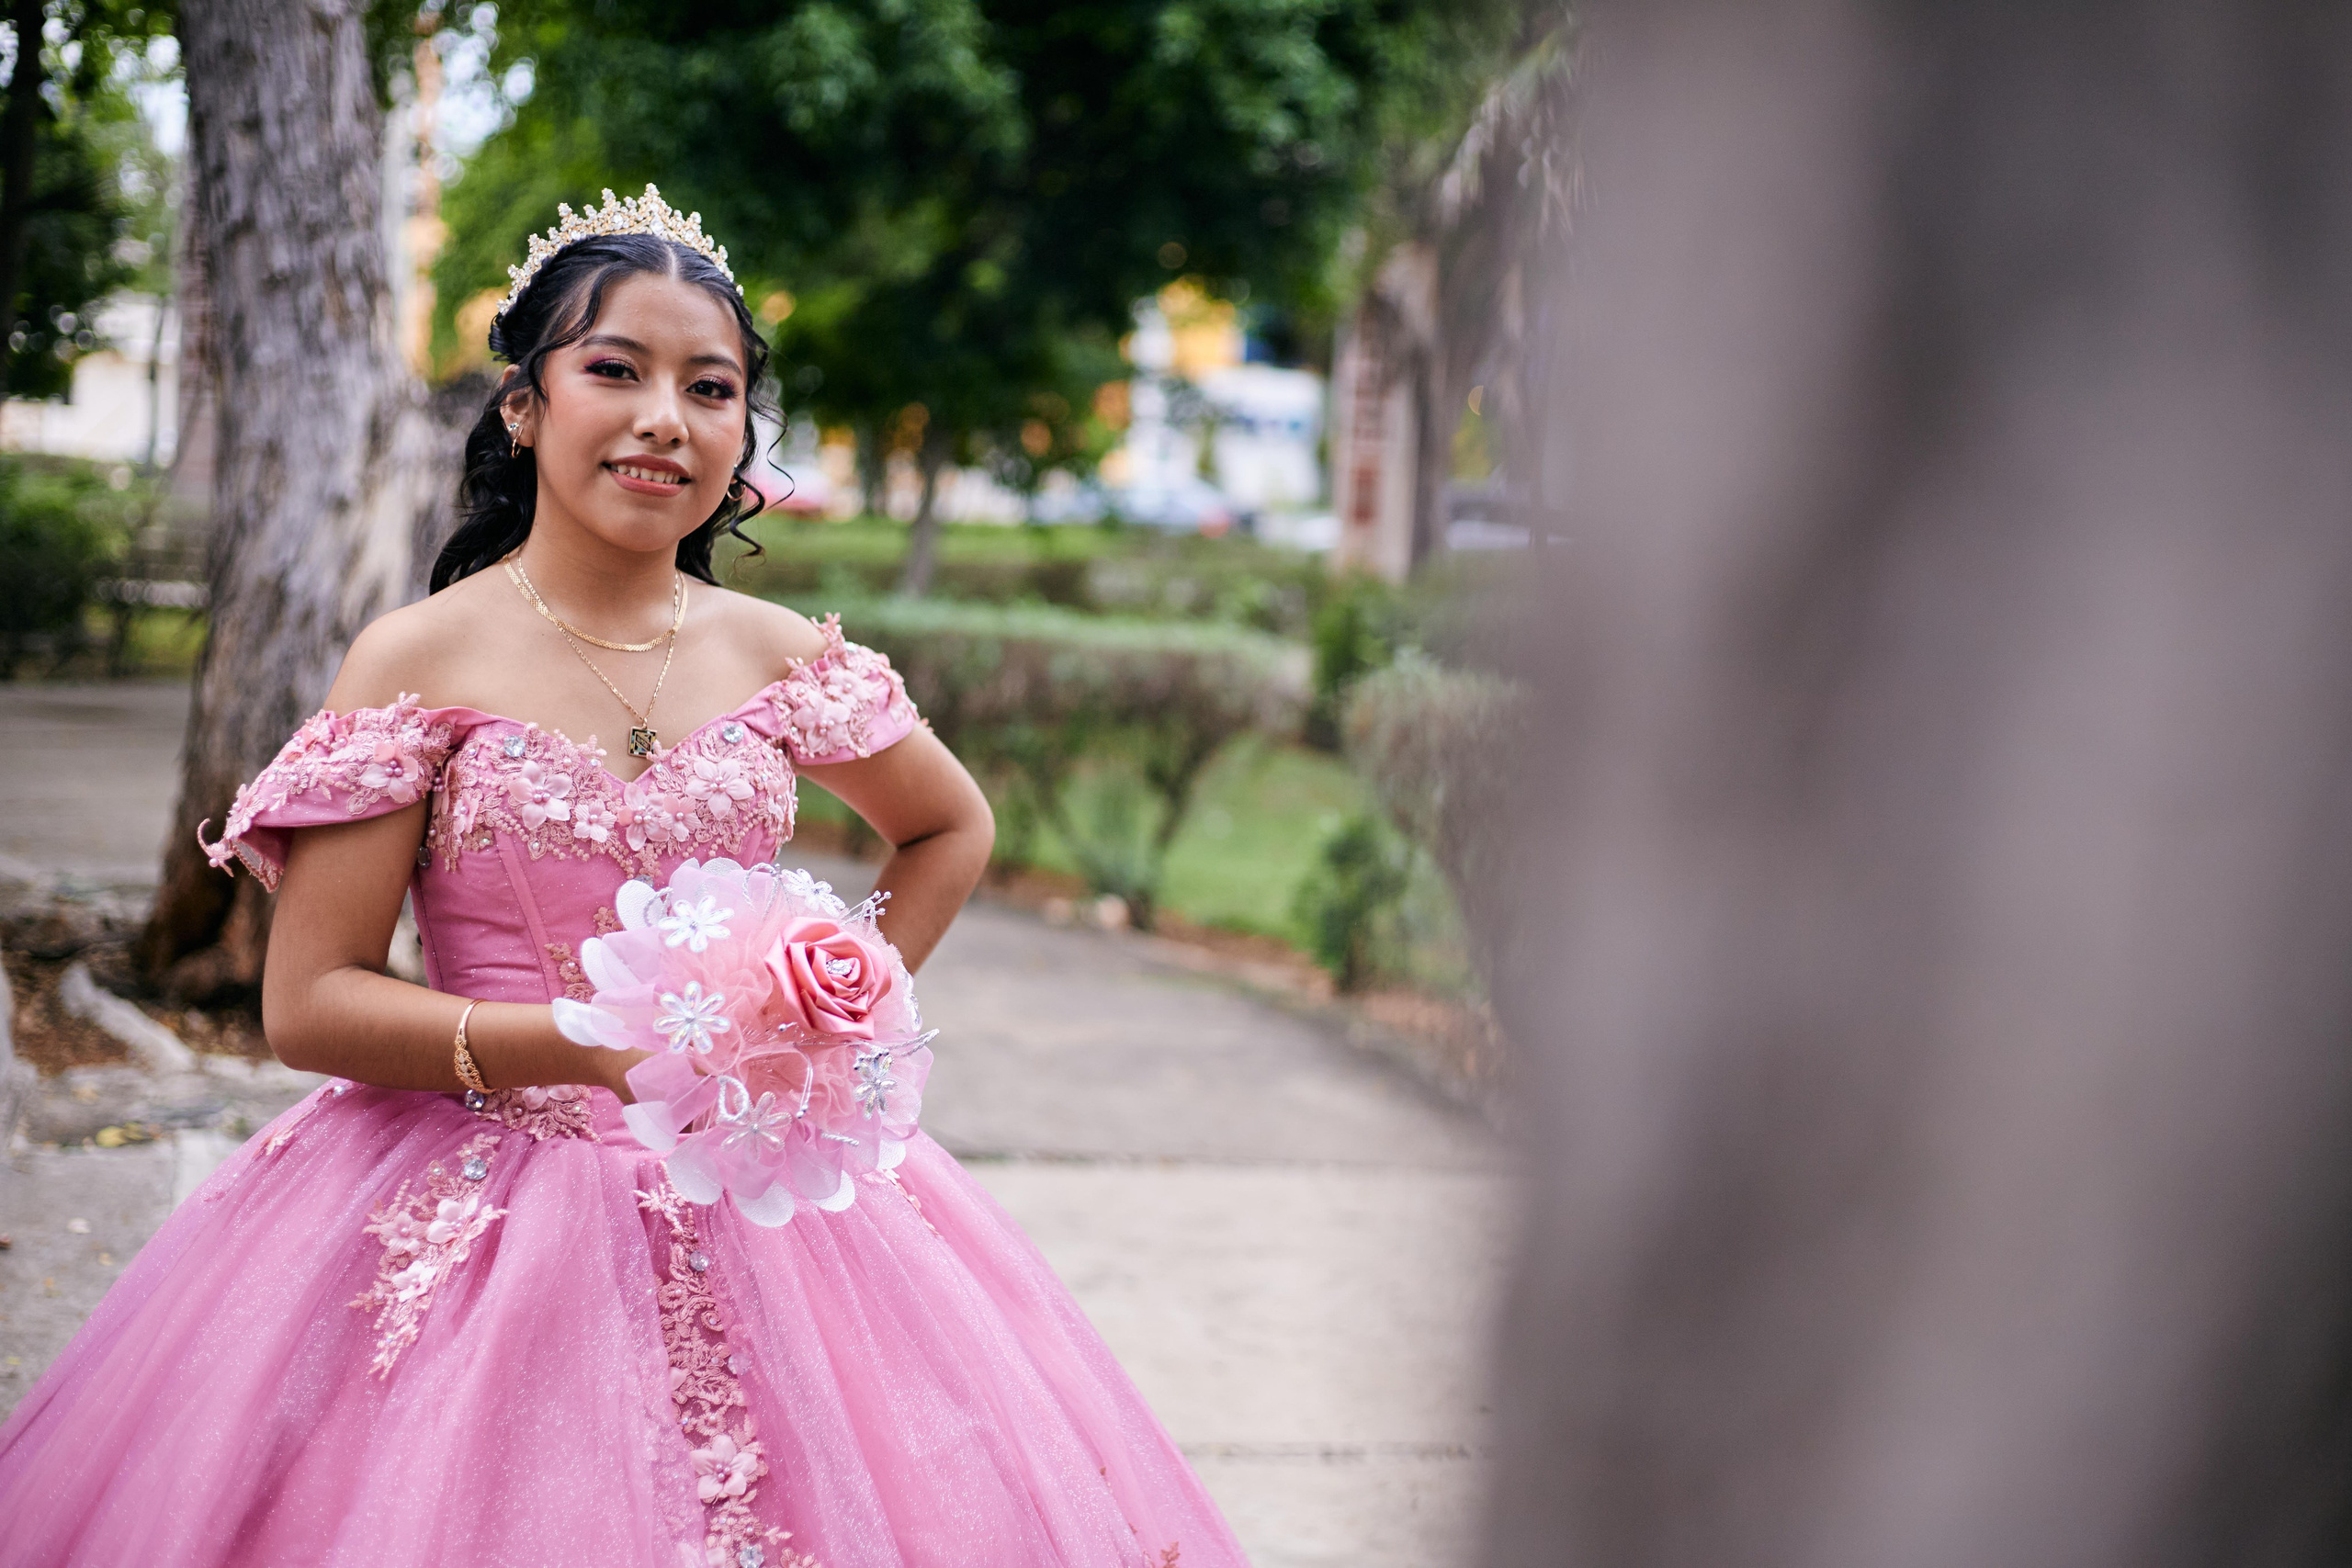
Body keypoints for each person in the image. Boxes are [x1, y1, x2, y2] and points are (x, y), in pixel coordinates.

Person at [0, 187, 1240, 1568]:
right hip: (473, 1202)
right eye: (615, 370)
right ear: (523, 407)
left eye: (711, 389)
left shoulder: (781, 656)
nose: (667, 417)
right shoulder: (418, 659)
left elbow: (950, 829)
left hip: (768, 1196)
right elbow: (309, 1004)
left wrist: (826, 1016)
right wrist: (591, 1046)